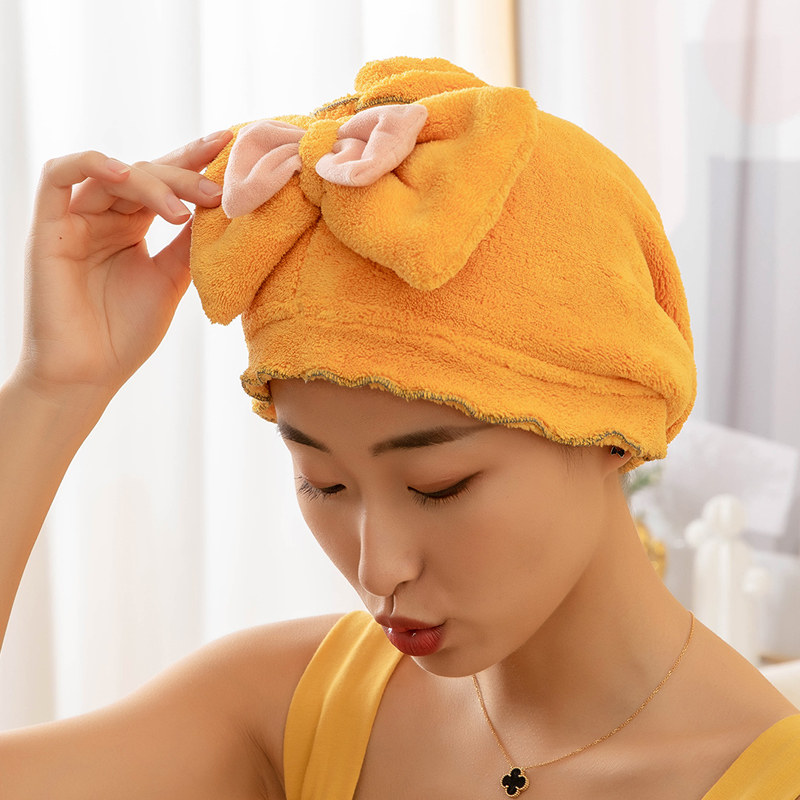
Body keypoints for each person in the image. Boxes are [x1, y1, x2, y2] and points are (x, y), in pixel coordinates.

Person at [1, 56, 798, 800]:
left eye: (438, 487)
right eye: (324, 483)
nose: (377, 568)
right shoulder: (289, 708)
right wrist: (55, 389)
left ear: (610, 430)